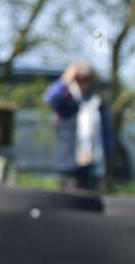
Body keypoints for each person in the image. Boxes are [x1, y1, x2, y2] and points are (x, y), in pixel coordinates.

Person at [42, 62, 114, 190]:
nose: (83, 82)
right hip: (69, 163)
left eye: (87, 79)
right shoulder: (66, 99)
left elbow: (107, 133)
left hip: (94, 166)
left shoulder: (98, 102)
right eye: (79, 79)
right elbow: (49, 98)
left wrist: (108, 158)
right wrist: (66, 79)